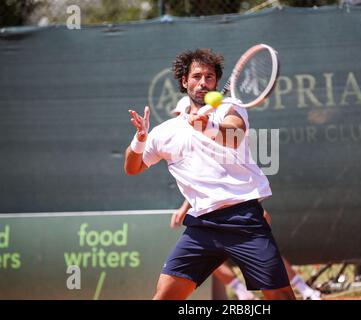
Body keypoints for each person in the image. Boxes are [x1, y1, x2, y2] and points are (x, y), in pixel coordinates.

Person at [124, 48, 295, 300]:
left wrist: (209, 126)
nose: (203, 82)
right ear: (184, 81)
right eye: (196, 76)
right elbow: (132, 168)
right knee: (165, 296)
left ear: (216, 82)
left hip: (243, 218)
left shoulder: (230, 107)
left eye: (209, 77)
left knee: (280, 296)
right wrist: (140, 139)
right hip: (202, 225)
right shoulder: (165, 132)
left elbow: (234, 135)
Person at [172, 199, 321, 300]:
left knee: (270, 257)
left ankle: (305, 290)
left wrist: (256, 206)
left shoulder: (234, 155)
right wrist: (184, 208)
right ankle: (244, 295)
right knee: (206, 259)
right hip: (209, 218)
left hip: (243, 213)